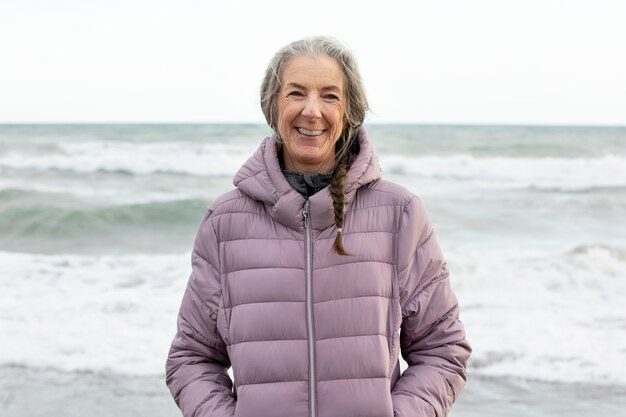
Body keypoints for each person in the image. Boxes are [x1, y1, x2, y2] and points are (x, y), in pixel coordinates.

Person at [166, 36, 471, 417]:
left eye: (330, 96)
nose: (312, 111)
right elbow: (192, 358)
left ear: (349, 111)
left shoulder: (400, 214)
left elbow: (442, 348)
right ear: (272, 105)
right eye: (296, 93)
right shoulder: (225, 222)